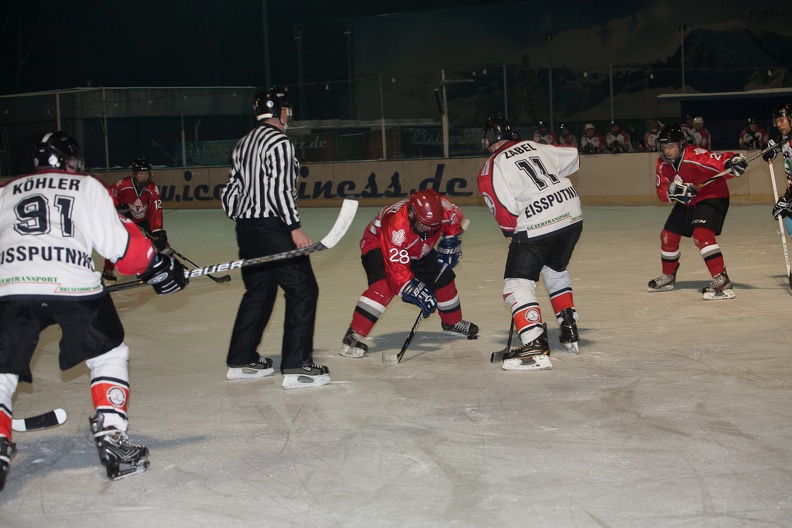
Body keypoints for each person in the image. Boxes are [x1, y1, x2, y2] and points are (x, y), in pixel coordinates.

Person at [0, 131, 188, 490]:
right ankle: (113, 436)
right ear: (73, 162)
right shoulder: (85, 186)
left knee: (1, 367)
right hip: (73, 284)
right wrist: (159, 269)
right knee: (109, 353)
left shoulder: (6, 190)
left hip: (11, 287)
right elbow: (119, 244)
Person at [221, 88, 329, 390]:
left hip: (247, 228)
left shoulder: (243, 143)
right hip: (274, 228)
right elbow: (281, 189)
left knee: (259, 290)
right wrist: (293, 228)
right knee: (303, 290)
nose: (289, 114)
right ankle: (296, 365)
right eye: (287, 109)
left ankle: (241, 360)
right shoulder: (280, 142)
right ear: (281, 112)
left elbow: (230, 190)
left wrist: (245, 218)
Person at [477, 116, 583, 372]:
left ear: (488, 140)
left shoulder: (492, 165)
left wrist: (512, 234)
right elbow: (572, 156)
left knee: (516, 284)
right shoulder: (536, 145)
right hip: (571, 213)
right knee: (554, 268)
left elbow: (503, 207)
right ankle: (568, 326)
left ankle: (534, 344)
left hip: (538, 221)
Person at [339, 189, 478, 359]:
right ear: (412, 212)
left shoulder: (447, 210)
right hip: (379, 244)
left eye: (433, 226)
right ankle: (354, 334)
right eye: (424, 224)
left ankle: (452, 323)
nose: (428, 229)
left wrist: (451, 241)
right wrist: (412, 288)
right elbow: (396, 270)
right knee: (385, 284)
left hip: (418, 247)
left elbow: (455, 224)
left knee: (443, 277)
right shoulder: (397, 224)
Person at [647, 125, 747, 300]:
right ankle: (668, 277)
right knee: (667, 236)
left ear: (681, 144)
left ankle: (721, 280)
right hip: (688, 202)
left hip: (712, 195)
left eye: (670, 146)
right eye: (663, 147)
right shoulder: (662, 164)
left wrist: (732, 162)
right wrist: (673, 192)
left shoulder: (695, 156)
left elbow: (720, 161)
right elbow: (661, 192)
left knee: (702, 235)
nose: (667, 151)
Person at [102, 158, 168, 281]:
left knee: (160, 240)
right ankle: (108, 269)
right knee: (116, 242)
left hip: (143, 219)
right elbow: (108, 195)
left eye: (146, 173)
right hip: (124, 219)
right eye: (140, 173)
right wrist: (117, 207)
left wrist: (157, 229)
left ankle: (171, 264)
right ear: (134, 174)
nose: (144, 176)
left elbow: (156, 208)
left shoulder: (152, 188)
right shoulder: (122, 184)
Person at [765, 104, 792, 237]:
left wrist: (787, 199)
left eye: (782, 120)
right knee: (791, 225)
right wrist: (773, 148)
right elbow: (782, 144)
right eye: (776, 122)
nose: (779, 125)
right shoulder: (786, 140)